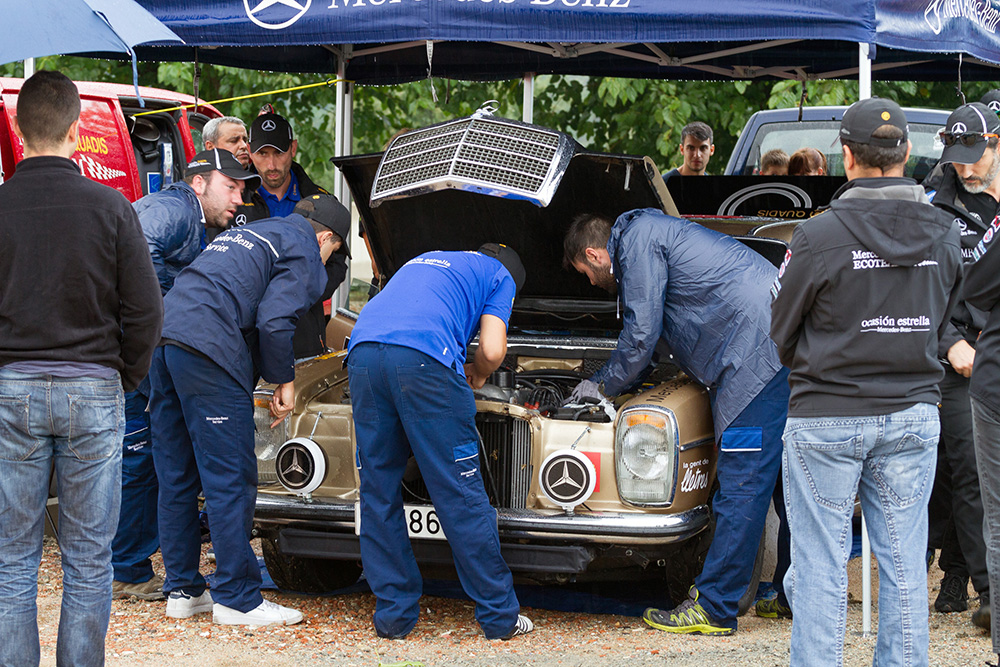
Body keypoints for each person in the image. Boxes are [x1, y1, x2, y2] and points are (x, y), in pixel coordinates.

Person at [770, 98, 963, 667]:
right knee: (904, 568)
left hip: (825, 414)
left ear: (847, 158)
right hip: (911, 413)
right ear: (906, 153)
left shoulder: (815, 237)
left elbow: (779, 330)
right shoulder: (946, 234)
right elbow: (946, 323)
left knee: (820, 565)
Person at [0, 70, 163, 666]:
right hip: (94, 387)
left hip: (11, 389)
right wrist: (123, 378)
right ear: (76, 132)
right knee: (89, 558)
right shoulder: (113, 209)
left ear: (20, 131)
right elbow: (146, 310)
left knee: (11, 557)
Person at [563, 209, 788, 636]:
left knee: (742, 481)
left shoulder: (637, 241)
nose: (591, 284)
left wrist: (600, 384)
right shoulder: (652, 232)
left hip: (753, 353)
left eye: (585, 274)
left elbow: (641, 334)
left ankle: (716, 606)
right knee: (785, 479)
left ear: (595, 254)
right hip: (775, 339)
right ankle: (793, 593)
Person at [148, 197, 339, 626]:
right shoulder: (306, 250)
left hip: (165, 339)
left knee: (177, 472)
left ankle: (183, 589)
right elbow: (274, 320)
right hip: (209, 347)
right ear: (325, 237)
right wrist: (283, 380)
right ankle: (237, 597)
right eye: (332, 249)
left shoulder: (250, 232)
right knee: (230, 476)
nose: (326, 259)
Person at [346, 244, 534, 641]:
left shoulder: (424, 258)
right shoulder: (500, 276)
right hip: (421, 359)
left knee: (377, 490)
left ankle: (394, 618)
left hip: (362, 353)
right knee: (459, 492)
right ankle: (500, 618)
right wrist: (479, 375)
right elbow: (493, 349)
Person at [111, 149, 261, 601]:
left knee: (156, 458)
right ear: (199, 183)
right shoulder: (175, 207)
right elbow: (137, 246)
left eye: (242, 189)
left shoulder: (190, 215)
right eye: (230, 187)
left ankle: (135, 568)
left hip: (143, 349)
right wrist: (166, 310)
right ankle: (128, 570)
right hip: (142, 351)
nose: (239, 198)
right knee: (143, 456)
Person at [922, 102, 1000, 625]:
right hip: (960, 358)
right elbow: (920, 289)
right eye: (956, 157)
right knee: (969, 474)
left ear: (995, 144)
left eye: (974, 155)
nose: (964, 168)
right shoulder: (934, 205)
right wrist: (951, 343)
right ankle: (991, 593)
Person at [239, 111, 348, 359]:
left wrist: (300, 297)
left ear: (294, 148)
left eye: (279, 153)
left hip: (304, 335)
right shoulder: (233, 197)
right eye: (262, 154)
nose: (272, 165)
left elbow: (338, 264)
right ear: (249, 150)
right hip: (244, 338)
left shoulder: (321, 200)